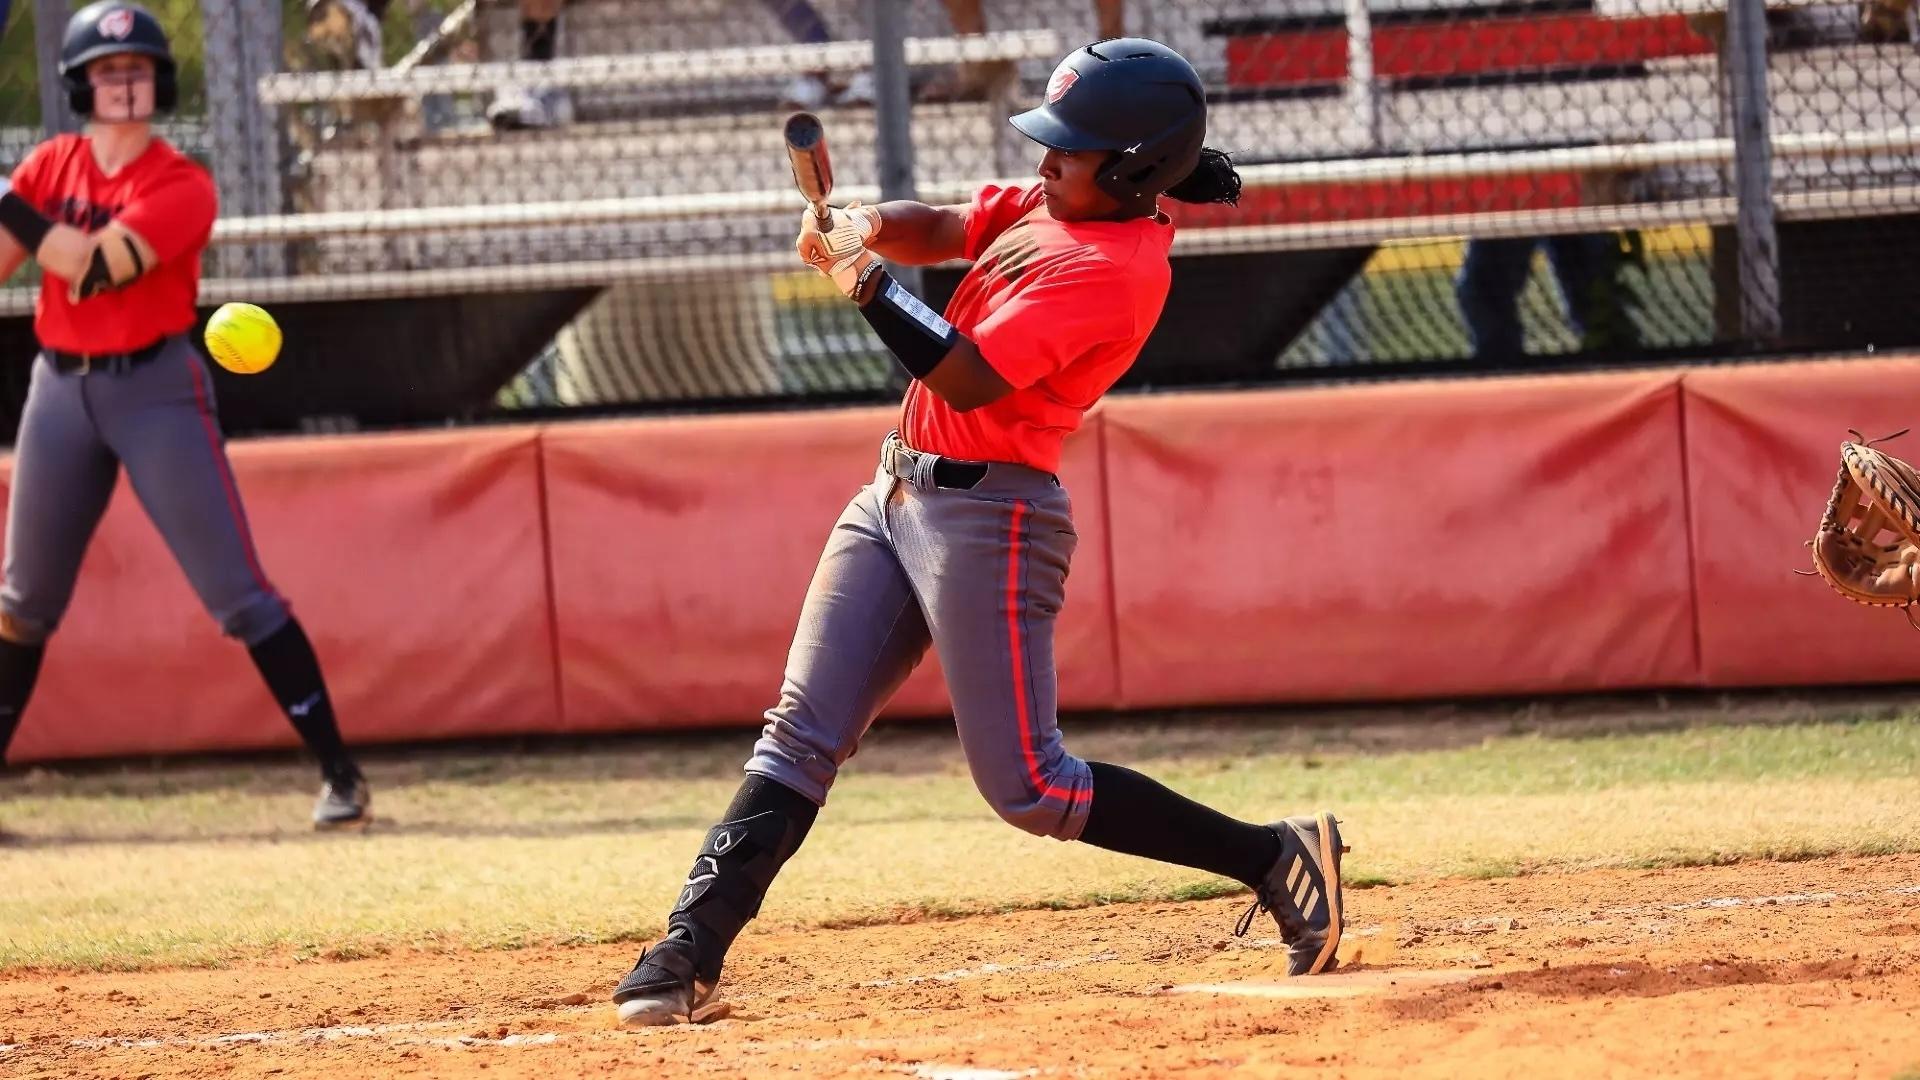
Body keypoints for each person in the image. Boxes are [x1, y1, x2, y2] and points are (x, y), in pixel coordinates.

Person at [609, 38, 1346, 1028]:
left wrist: (863, 282)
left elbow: (968, 375)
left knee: (1031, 787)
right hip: (893, 495)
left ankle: (1271, 857)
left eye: (1070, 149)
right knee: (799, 733)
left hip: (991, 517)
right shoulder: (1056, 204)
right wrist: (865, 221)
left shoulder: (1114, 268)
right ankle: (684, 950)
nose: (1047, 161)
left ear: (1133, 167)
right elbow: (953, 222)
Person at [0, 2, 370, 830]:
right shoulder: (50, 166)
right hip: (59, 388)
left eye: (136, 69)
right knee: (21, 600)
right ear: (81, 84)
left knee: (237, 594)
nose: (123, 82)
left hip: (155, 389)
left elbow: (93, 269)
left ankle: (341, 776)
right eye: (106, 70)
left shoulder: (181, 183)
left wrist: (4, 195)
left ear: (157, 82)